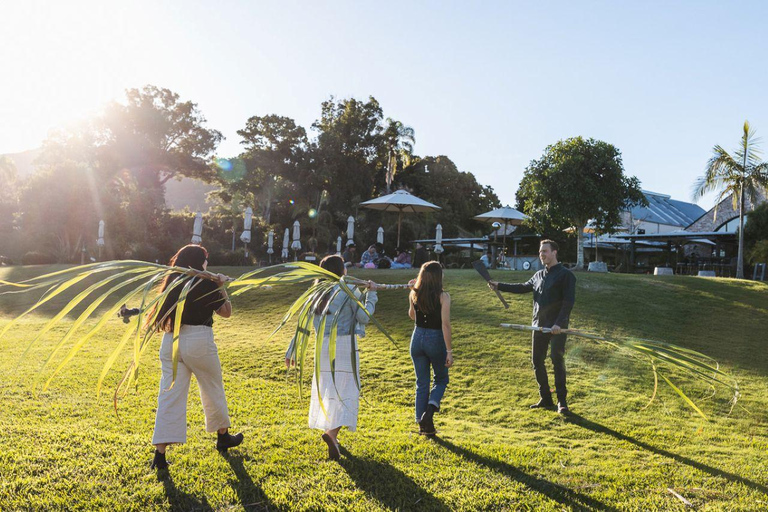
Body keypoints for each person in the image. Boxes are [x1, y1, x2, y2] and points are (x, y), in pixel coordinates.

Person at [148, 244, 243, 470]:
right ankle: (223, 437)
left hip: (171, 341)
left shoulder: (172, 281)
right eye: (206, 260)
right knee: (213, 387)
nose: (207, 264)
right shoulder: (206, 283)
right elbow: (227, 312)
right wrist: (221, 286)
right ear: (200, 261)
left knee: (168, 397)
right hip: (198, 339)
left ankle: (159, 455)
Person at [285, 255, 378, 460]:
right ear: (340, 270)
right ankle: (332, 434)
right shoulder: (348, 290)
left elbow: (304, 323)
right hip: (344, 345)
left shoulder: (316, 293)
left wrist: (292, 350)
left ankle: (332, 433)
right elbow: (364, 317)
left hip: (322, 347)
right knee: (346, 390)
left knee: (329, 388)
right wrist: (371, 295)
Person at [489, 240, 576, 415]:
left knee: (557, 360)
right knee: (537, 361)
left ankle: (562, 401)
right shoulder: (538, 275)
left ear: (554, 252)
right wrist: (499, 285)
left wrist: (559, 323)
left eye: (545, 251)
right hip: (538, 326)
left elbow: (568, 303)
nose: (542, 254)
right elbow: (522, 287)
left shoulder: (566, 275)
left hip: (557, 327)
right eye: (540, 251)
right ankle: (545, 398)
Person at [408, 261, 453, 436]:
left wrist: (411, 295)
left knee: (422, 383)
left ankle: (422, 423)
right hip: (435, 338)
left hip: (417, 338)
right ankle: (430, 410)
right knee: (441, 379)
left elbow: (412, 316)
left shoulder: (414, 292)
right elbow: (446, 325)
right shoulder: (443, 296)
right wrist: (449, 351)